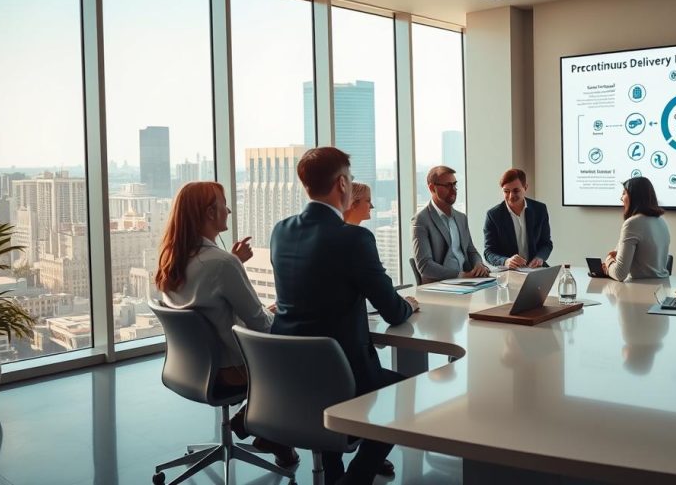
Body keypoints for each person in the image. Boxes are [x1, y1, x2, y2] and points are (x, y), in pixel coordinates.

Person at [270, 147, 418, 485]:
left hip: (287, 377)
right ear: (341, 183)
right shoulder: (354, 238)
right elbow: (393, 311)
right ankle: (356, 478)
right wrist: (410, 304)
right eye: (349, 180)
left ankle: (334, 472)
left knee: (327, 373)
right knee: (408, 392)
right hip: (342, 377)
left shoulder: (281, 230)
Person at [154, 181, 296, 465]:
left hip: (191, 368)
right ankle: (259, 426)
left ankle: (259, 425)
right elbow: (260, 326)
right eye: (223, 204)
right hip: (229, 370)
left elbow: (207, 304)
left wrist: (233, 262)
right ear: (209, 212)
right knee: (302, 359)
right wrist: (280, 315)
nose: (228, 210)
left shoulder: (171, 259)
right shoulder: (221, 264)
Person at [412, 165, 490, 283]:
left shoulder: (461, 218)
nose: (453, 189)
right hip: (440, 286)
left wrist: (478, 264)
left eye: (454, 184)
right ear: (432, 188)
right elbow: (425, 266)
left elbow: (471, 251)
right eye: (448, 185)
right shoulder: (421, 220)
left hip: (468, 282)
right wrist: (461, 275)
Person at [601, 176, 671, 280]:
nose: (621, 198)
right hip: (662, 289)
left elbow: (619, 274)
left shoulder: (632, 224)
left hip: (639, 291)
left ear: (635, 197)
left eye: (624, 193)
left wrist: (608, 262)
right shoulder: (662, 221)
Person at [483, 168, 553, 268]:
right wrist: (506, 261)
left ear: (525, 188)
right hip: (509, 272)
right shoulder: (493, 215)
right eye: (506, 191)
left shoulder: (540, 209)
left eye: (516, 190)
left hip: (536, 269)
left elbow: (546, 243)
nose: (511, 196)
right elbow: (488, 252)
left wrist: (540, 257)